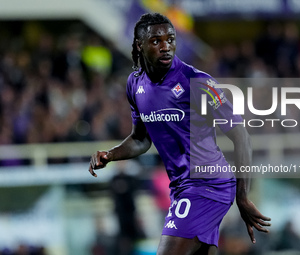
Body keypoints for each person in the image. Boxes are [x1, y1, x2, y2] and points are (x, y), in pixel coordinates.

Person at [89, 13, 271, 255]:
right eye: (156, 41)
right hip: (181, 188)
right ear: (139, 45)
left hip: (208, 185)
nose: (166, 46)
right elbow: (141, 139)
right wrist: (110, 155)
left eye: (171, 39)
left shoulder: (197, 82)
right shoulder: (135, 84)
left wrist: (243, 196)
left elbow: (241, 136)